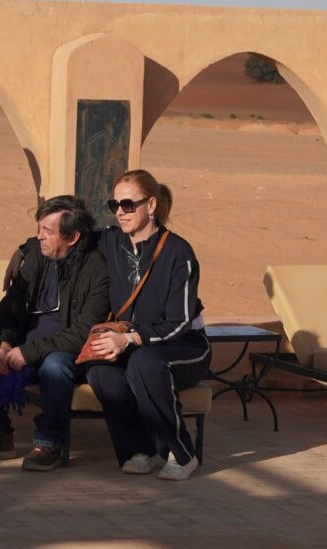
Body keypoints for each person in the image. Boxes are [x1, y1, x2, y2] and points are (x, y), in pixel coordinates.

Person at [0, 195, 109, 471]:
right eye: (39, 228)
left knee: (55, 366)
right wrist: (4, 344)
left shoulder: (96, 269)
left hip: (67, 351)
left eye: (47, 231)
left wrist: (28, 352)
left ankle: (49, 443)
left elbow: (82, 333)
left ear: (73, 237)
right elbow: (9, 308)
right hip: (24, 345)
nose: (39, 237)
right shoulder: (37, 257)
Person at [84, 169, 210, 481]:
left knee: (144, 362)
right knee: (100, 372)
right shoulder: (110, 241)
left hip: (185, 346)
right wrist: (24, 250)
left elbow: (179, 323)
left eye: (128, 205)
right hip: (134, 344)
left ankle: (182, 453)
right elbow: (70, 235)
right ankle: (137, 451)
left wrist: (130, 340)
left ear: (150, 205)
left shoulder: (179, 252)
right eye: (114, 205)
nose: (120, 212)